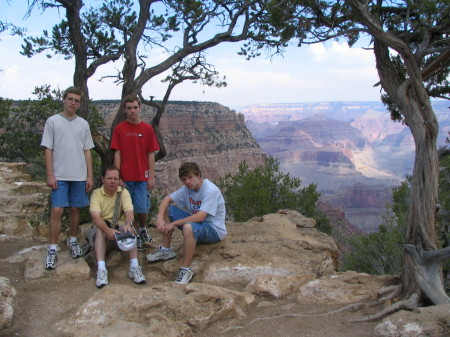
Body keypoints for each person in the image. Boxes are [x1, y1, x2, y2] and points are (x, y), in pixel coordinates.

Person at [146, 162, 227, 284]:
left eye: (190, 177)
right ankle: (165, 250)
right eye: (184, 179)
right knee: (168, 209)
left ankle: (185, 269)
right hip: (198, 225)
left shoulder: (210, 190)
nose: (187, 182)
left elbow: (200, 217)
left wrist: (173, 224)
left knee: (188, 228)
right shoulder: (186, 189)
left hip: (213, 229)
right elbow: (166, 200)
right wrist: (160, 219)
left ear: (198, 175)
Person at [41, 86, 94, 269]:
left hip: (78, 175)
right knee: (57, 210)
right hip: (60, 174)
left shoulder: (83, 124)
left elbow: (87, 151)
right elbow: (48, 149)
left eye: (76, 100)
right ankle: (53, 248)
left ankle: (72, 240)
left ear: (80, 103)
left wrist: (90, 175)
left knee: (75, 209)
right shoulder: (53, 121)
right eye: (70, 99)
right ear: (64, 99)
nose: (73, 102)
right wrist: (50, 174)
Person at [110, 94, 160, 250]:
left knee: (142, 207)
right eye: (129, 108)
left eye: (135, 107)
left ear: (140, 108)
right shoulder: (120, 129)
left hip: (142, 177)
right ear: (124, 110)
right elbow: (117, 153)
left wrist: (151, 176)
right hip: (125, 177)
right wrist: (117, 176)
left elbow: (151, 153)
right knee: (128, 208)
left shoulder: (147, 129)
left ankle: (142, 229)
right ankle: (134, 234)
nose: (132, 111)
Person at [89, 166, 146, 288]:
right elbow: (96, 216)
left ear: (119, 180)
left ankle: (134, 266)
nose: (112, 181)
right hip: (105, 228)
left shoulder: (123, 192)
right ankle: (101, 269)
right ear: (103, 179)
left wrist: (128, 224)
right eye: (109, 178)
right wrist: (107, 230)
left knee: (130, 229)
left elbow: (129, 212)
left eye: (115, 178)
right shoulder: (96, 194)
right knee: (100, 231)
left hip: (119, 228)